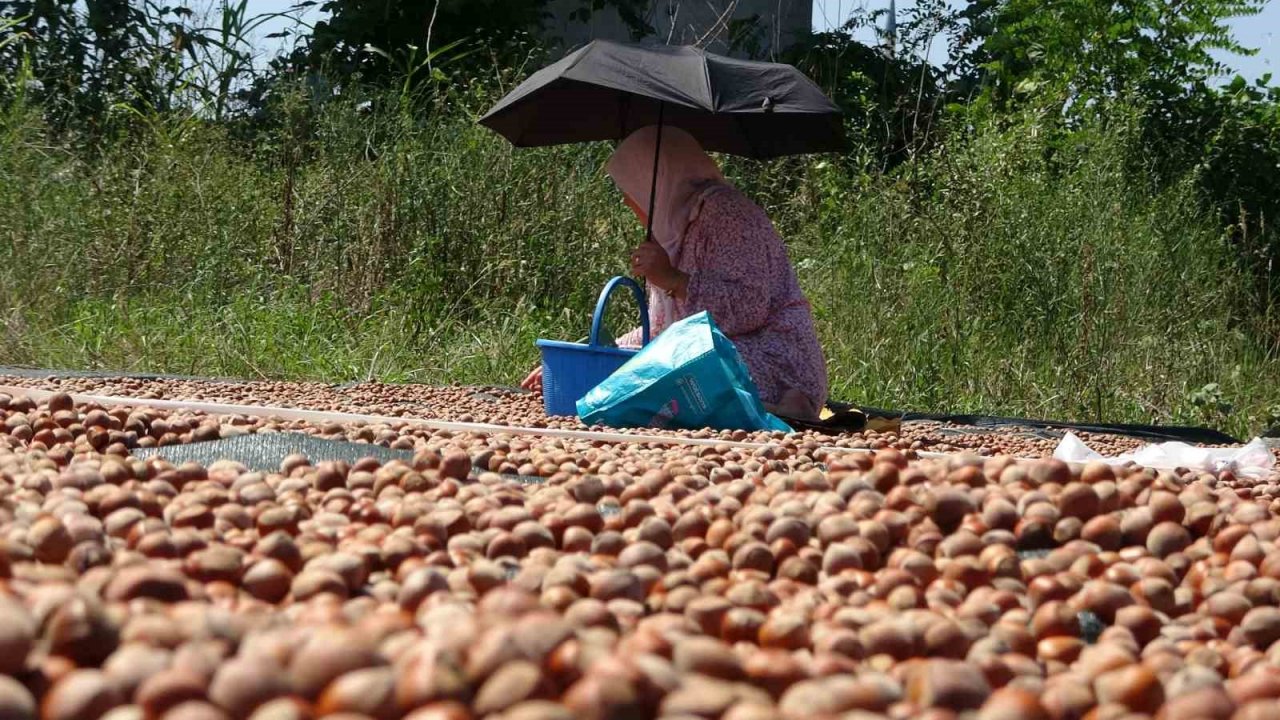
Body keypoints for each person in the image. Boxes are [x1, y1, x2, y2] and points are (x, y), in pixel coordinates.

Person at [523, 125, 828, 421]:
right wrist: (589, 357)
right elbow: (660, 330)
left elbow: (749, 307)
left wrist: (673, 279)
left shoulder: (729, 214)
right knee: (634, 375)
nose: (628, 202)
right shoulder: (674, 231)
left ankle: (783, 407)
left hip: (772, 358)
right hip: (704, 353)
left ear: (657, 184)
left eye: (633, 190)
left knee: (667, 378)